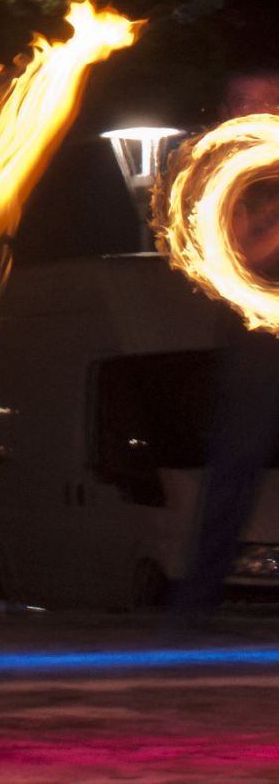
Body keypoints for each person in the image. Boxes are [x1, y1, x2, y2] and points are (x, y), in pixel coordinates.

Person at [172, 64, 279, 625]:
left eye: (263, 100)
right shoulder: (223, 178)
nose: (251, 110)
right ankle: (196, 602)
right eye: (240, 101)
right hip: (257, 345)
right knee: (237, 464)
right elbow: (242, 255)